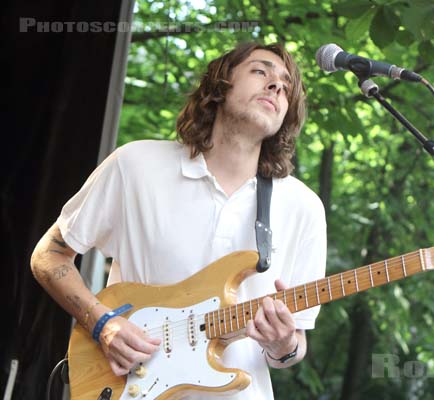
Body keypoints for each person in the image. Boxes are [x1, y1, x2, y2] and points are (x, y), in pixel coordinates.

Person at [30, 42, 327, 399]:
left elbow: (294, 346)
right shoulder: (136, 165)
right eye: (260, 71)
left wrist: (282, 345)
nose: (276, 86)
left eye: (286, 85)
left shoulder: (304, 207)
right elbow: (49, 256)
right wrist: (102, 324)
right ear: (220, 85)